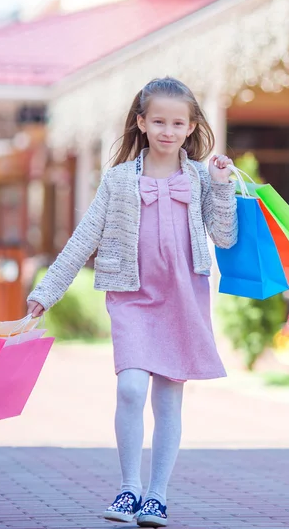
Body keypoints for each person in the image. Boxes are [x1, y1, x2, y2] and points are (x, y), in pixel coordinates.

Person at [27, 77, 238, 527]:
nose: (167, 130)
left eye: (177, 122)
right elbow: (84, 238)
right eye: (158, 120)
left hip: (184, 297)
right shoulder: (120, 179)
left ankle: (157, 496)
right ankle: (129, 489)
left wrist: (221, 186)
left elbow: (224, 236)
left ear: (190, 126)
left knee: (168, 400)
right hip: (132, 297)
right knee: (129, 388)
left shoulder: (201, 175)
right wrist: (47, 292)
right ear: (141, 122)